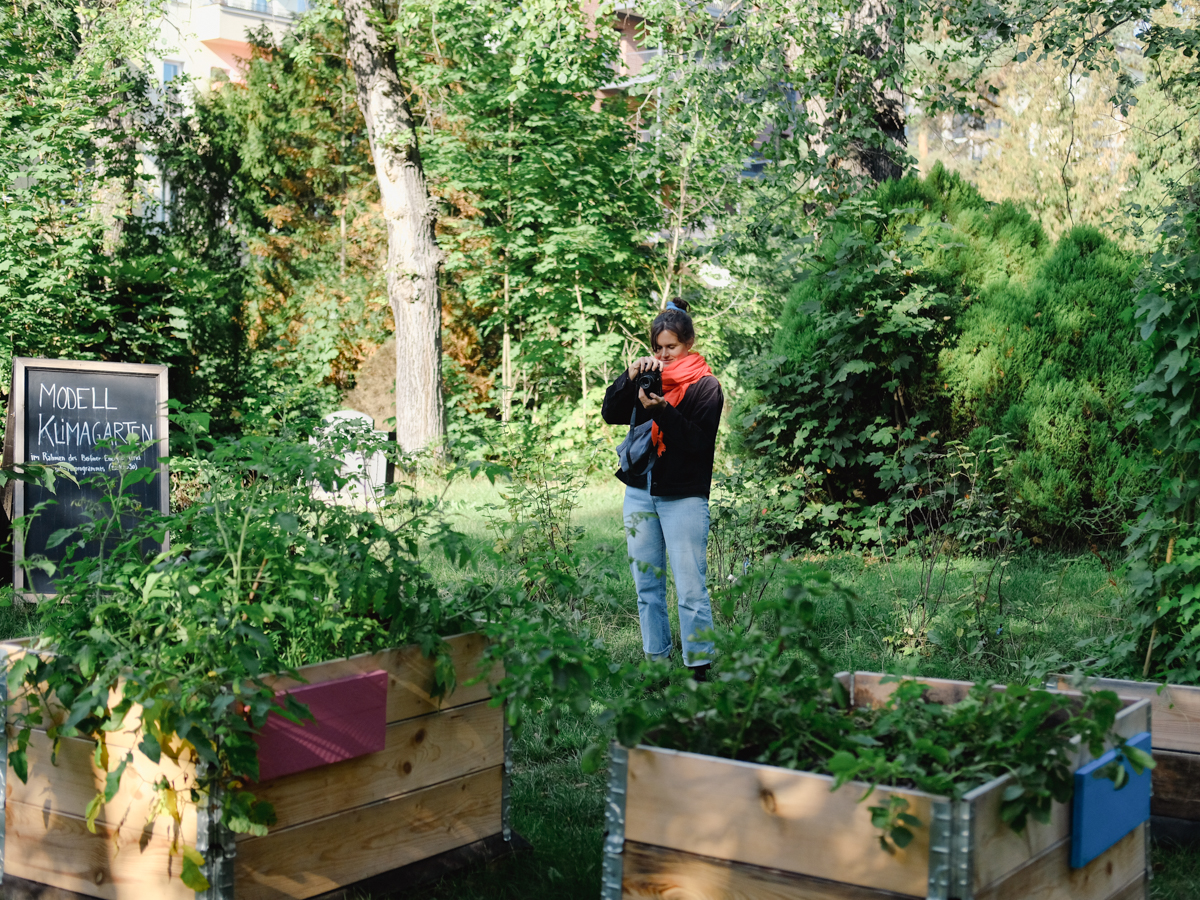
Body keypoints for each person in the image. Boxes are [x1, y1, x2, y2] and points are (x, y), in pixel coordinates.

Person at [601, 299, 723, 680]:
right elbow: (610, 412)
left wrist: (662, 411)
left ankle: (699, 669)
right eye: (657, 348)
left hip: (684, 496)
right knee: (646, 585)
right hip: (640, 491)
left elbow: (697, 443)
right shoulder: (647, 379)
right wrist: (629, 377)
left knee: (690, 588)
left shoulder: (707, 387)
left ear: (688, 343)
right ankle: (656, 661)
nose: (664, 355)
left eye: (671, 347)